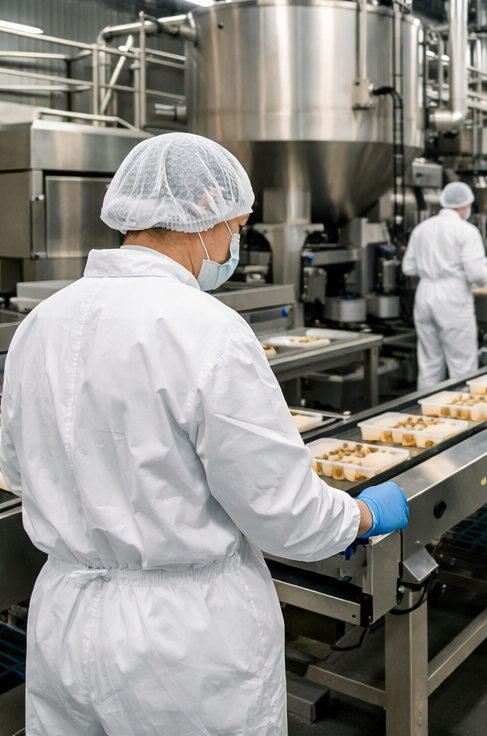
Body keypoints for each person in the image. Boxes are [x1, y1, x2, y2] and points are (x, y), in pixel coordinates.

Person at [0, 132, 409, 736]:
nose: (233, 245)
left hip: (63, 622)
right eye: (236, 228)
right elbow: (283, 512)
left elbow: (16, 470)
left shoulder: (41, 324)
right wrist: (361, 516)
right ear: (203, 216)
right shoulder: (207, 329)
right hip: (181, 645)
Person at [402, 181, 487, 387]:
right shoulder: (466, 230)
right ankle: (463, 405)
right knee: (462, 364)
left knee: (430, 362)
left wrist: (432, 269)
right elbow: (476, 274)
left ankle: (427, 406)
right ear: (466, 205)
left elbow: (408, 268)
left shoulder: (422, 228)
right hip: (453, 297)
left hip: (424, 294)